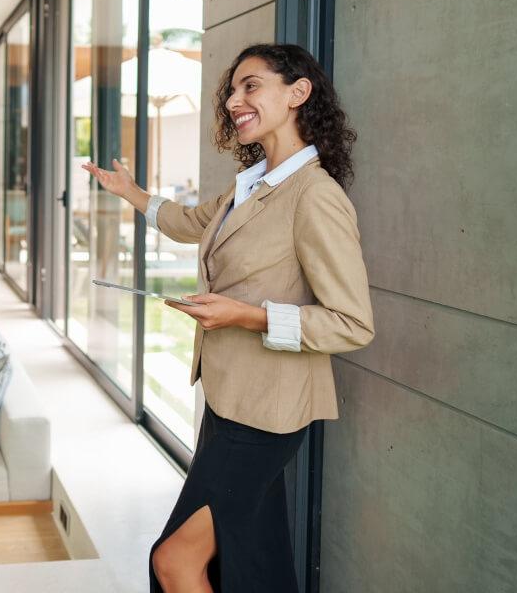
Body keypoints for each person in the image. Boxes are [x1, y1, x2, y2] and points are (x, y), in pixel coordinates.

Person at [84, 43, 374, 593]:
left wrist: (248, 316)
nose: (234, 99)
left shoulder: (314, 195)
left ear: (298, 93)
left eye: (250, 86)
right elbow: (192, 221)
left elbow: (352, 322)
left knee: (174, 562)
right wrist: (131, 193)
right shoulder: (254, 183)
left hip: (268, 414)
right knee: (254, 565)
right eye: (232, 89)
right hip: (228, 401)